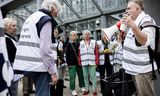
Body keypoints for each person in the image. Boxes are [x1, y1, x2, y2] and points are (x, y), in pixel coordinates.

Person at [13, 0, 62, 96]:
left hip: (29, 65)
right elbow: (45, 48)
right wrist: (53, 72)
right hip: (40, 66)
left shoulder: (31, 18)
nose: (57, 14)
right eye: (58, 10)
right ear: (52, 7)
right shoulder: (45, 19)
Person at [121, 0, 157, 96]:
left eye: (129, 8)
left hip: (143, 71)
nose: (126, 11)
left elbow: (145, 41)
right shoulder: (136, 22)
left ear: (137, 8)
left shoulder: (146, 20)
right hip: (136, 69)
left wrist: (132, 25)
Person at [78, 30, 99, 96]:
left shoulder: (94, 42)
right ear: (83, 36)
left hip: (92, 62)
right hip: (84, 62)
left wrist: (96, 62)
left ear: (90, 35)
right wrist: (80, 62)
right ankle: (86, 90)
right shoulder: (80, 43)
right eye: (85, 34)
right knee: (85, 77)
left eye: (87, 34)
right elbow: (79, 54)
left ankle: (94, 90)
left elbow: (97, 52)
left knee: (93, 77)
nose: (86, 35)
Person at [65, 31, 86, 96]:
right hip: (72, 64)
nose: (74, 36)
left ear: (76, 36)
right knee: (72, 77)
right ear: (70, 36)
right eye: (72, 35)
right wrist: (68, 64)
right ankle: (72, 89)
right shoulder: (68, 44)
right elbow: (67, 55)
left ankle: (82, 86)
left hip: (78, 63)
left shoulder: (79, 43)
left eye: (75, 35)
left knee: (81, 76)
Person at [4, 18, 18, 96]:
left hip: (12, 72)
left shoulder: (10, 39)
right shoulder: (7, 40)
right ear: (6, 27)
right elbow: (13, 56)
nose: (15, 27)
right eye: (13, 26)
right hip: (10, 72)